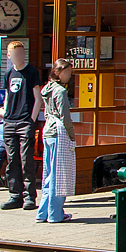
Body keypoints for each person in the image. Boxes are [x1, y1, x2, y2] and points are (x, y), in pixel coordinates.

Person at [0, 40, 43, 211]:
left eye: (21, 54)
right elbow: (8, 96)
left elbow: (38, 98)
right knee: (12, 160)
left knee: (26, 160)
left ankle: (30, 196)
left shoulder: (31, 72)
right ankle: (15, 195)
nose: (18, 57)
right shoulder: (8, 73)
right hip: (10, 121)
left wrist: (31, 119)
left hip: (25, 121)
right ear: (9, 56)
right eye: (14, 54)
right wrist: (5, 113)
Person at [36, 58, 75, 223]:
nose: (69, 76)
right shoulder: (60, 91)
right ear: (58, 72)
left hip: (48, 131)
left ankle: (42, 213)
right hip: (59, 133)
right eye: (67, 73)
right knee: (59, 176)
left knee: (49, 173)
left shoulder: (47, 88)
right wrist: (72, 136)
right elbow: (65, 117)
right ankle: (55, 213)